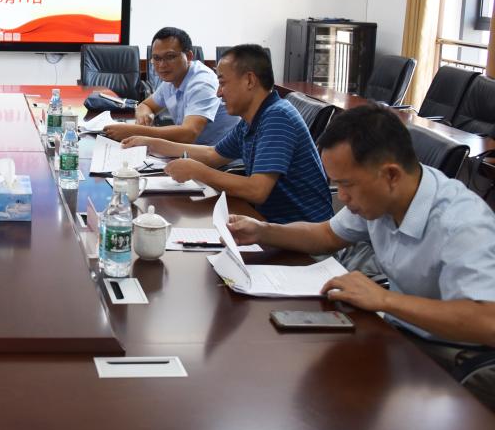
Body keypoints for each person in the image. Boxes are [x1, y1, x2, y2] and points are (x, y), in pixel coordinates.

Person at [227, 105, 495, 407]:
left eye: (346, 185)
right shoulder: (383, 196)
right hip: (399, 333)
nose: (341, 198)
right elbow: (326, 235)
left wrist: (384, 300)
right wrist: (262, 231)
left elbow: (487, 321)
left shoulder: (462, 223)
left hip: (455, 356)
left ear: (391, 175)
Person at [123, 44, 332, 224]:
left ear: (249, 80)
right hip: (270, 224)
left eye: (223, 83)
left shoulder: (277, 116)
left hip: (302, 237)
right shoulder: (251, 119)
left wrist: (197, 171)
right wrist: (151, 142)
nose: (218, 93)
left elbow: (257, 190)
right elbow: (212, 154)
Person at [103, 27, 238, 145]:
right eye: (157, 58)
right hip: (192, 151)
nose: (162, 65)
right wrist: (144, 116)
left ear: (188, 56)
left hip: (220, 158)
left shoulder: (202, 84)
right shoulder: (171, 79)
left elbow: (189, 133)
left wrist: (136, 131)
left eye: (170, 57)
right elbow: (146, 105)